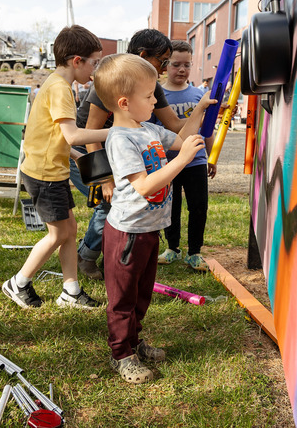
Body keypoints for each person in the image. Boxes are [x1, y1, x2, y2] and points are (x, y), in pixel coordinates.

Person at [94, 53, 210, 383]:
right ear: (124, 102)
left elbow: (183, 139)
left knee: (142, 293)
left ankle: (134, 341)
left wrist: (200, 108)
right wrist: (183, 159)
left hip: (149, 229)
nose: (155, 100)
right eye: (149, 96)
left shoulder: (148, 128)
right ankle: (121, 353)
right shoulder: (120, 139)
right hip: (127, 234)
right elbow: (145, 186)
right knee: (123, 298)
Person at [71, 29, 209, 281]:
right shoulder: (114, 80)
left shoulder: (149, 88)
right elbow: (90, 133)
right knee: (108, 204)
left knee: (116, 204)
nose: (166, 68)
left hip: (127, 144)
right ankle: (88, 257)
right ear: (144, 55)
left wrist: (200, 109)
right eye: (163, 61)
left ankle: (109, 254)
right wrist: (105, 180)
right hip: (93, 150)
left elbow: (176, 129)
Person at [1, 25, 109, 310]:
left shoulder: (54, 83)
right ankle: (19, 282)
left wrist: (73, 155)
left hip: (50, 169)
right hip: (44, 174)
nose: (95, 71)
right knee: (59, 234)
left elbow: (53, 134)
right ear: (77, 61)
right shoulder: (61, 89)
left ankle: (70, 291)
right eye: (93, 63)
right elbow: (73, 133)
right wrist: (116, 133)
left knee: (70, 229)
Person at [155, 41, 216, 271]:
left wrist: (211, 157)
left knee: (198, 206)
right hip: (168, 162)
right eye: (176, 64)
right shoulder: (157, 95)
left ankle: (194, 252)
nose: (181, 69)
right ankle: (172, 247)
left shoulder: (200, 95)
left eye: (187, 65)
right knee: (171, 206)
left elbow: (207, 129)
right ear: (166, 65)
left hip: (195, 161)